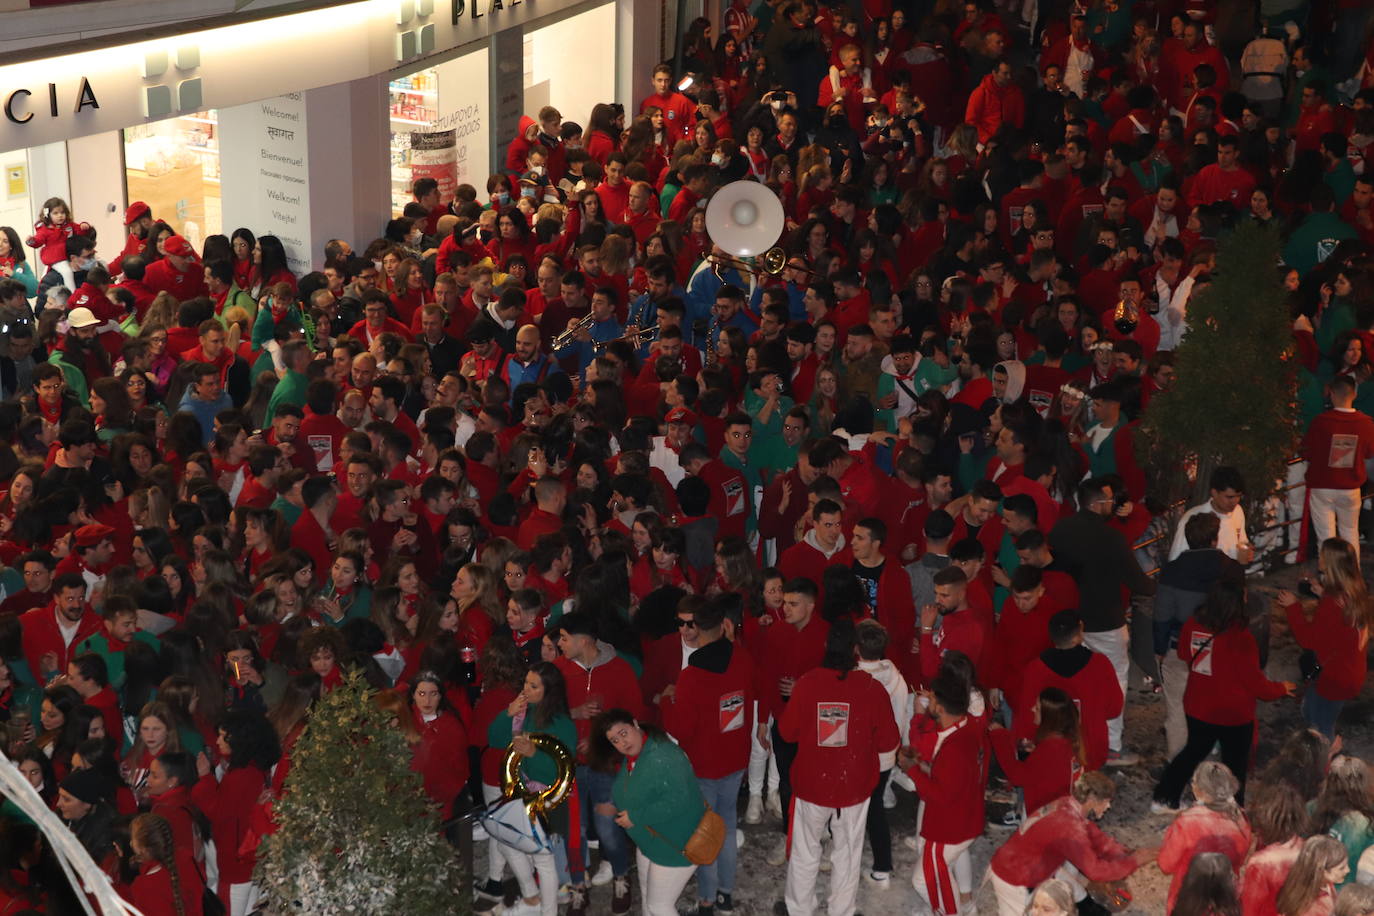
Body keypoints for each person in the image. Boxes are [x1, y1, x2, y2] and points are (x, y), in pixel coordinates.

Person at [777, 619, 898, 916]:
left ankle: (798, 909)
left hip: (811, 785)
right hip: (854, 786)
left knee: (806, 852)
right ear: (856, 650)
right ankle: (842, 910)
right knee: (848, 852)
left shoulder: (806, 684)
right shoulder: (872, 689)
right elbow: (889, 741)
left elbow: (787, 733)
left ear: (825, 647)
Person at [1151, 580, 1294, 812]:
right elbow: (1256, 684)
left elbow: (1186, 653)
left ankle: (1164, 798)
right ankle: (1233, 811)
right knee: (1235, 764)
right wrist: (1281, 688)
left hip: (1198, 705)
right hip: (1233, 714)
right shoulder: (1242, 638)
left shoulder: (1193, 624)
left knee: (1191, 752)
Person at [657, 596, 754, 915]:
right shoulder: (741, 658)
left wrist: (666, 701)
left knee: (704, 830)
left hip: (703, 764)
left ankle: (708, 898)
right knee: (725, 825)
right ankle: (726, 892)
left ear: (697, 628)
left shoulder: (693, 675)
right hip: (735, 757)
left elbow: (682, 729)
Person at [988, 771, 1150, 915]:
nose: (1108, 806)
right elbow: (1096, 871)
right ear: (1092, 800)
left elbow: (1093, 835)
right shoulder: (1069, 826)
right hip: (1013, 878)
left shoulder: (1067, 804)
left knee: (1066, 875)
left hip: (1027, 862)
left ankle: (1086, 906)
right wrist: (1133, 861)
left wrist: (1123, 852)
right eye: (1106, 801)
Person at [487, 662, 575, 916]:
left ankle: (547, 910)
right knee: (507, 843)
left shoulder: (560, 723)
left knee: (544, 861)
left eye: (533, 686)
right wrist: (508, 713)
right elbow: (493, 739)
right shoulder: (522, 712)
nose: (526, 689)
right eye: (525, 682)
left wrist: (534, 753)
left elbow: (563, 770)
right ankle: (531, 897)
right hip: (520, 794)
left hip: (546, 799)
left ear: (549, 691)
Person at [600, 708, 708, 916]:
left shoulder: (665, 755)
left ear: (635, 724)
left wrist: (635, 816)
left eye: (624, 733)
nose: (622, 743)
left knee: (659, 906)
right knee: (649, 898)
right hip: (650, 838)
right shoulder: (635, 756)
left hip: (676, 843)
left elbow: (678, 801)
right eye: (615, 740)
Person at [1277, 537, 1372, 739]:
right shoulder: (1355, 589)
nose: (1318, 557)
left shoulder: (1331, 604)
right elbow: (1340, 624)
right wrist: (1322, 594)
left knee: (1320, 727)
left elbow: (1308, 640)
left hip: (1334, 676)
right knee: (1313, 711)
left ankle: (1323, 762)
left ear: (1330, 563)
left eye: (1322, 555)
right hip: (1349, 670)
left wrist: (1293, 607)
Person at [1157, 761, 1252, 912]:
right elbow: (1240, 859)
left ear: (1201, 791)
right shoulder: (1240, 818)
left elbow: (1165, 865)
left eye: (1193, 782)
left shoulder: (1187, 822)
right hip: (1224, 895)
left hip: (1190, 893)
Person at [1300, 376, 1374, 557]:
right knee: (1350, 532)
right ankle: (1351, 578)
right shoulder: (1366, 423)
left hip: (1322, 485)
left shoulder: (1321, 422)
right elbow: (1370, 453)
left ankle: (1329, 579)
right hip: (1351, 486)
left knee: (1325, 537)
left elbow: (1306, 451)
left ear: (1331, 394)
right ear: (1354, 394)